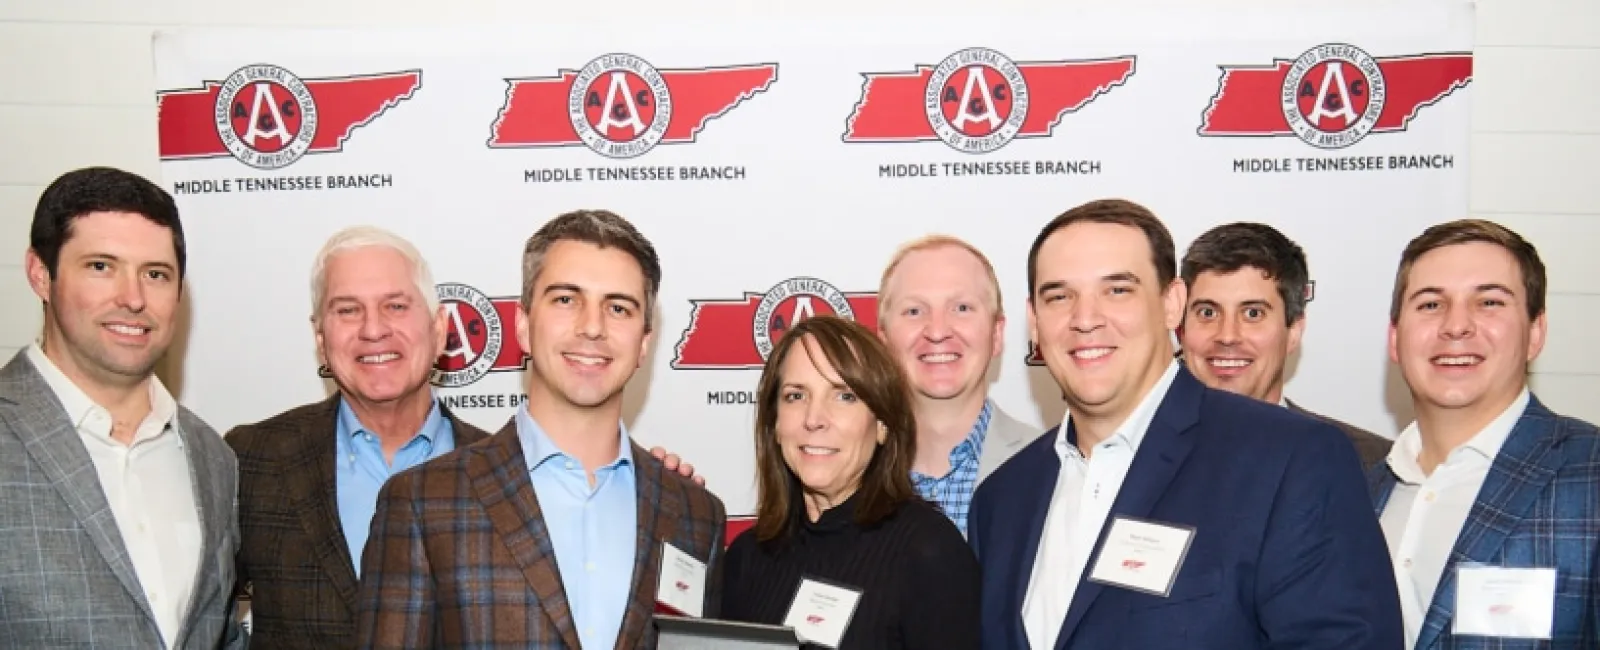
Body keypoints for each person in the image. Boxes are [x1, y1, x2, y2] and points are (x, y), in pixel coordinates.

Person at [968, 198, 1401, 650]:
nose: (1085, 319)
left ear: (1173, 303)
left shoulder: (1292, 461)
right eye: (1059, 296)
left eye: (1117, 290)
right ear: (1034, 321)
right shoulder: (1001, 502)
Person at [355, 209, 727, 649]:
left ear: (644, 343)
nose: (592, 327)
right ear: (524, 326)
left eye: (618, 307)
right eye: (566, 300)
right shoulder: (422, 503)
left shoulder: (696, 515)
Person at [0, 166, 245, 649]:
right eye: (101, 266)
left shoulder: (213, 458)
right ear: (40, 275)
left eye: (155, 274)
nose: (133, 299)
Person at [224, 226, 491, 649]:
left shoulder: (503, 471)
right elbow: (204, 623)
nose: (373, 329)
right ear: (320, 338)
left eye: (396, 306)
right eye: (348, 310)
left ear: (440, 329)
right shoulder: (252, 459)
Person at [1373, 219, 1600, 649]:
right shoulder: (1358, 491)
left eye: (1489, 302)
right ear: (1395, 338)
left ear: (1535, 333)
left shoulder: (1590, 475)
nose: (1456, 326)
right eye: (1429, 304)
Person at [721, 315, 980, 649]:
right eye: (796, 396)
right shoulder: (746, 558)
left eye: (844, 396)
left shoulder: (929, 553)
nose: (814, 419)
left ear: (883, 424)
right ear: (774, 423)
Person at [1178, 222, 1391, 468]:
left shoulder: (1369, 464)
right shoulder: (1131, 453)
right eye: (1207, 312)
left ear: (1293, 332)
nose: (1227, 336)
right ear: (1180, 330)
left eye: (1253, 314)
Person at [876, 235, 1041, 535]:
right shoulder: (846, 470)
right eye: (914, 311)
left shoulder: (1053, 466)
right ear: (884, 340)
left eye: (962, 308)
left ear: (996, 334)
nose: (937, 331)